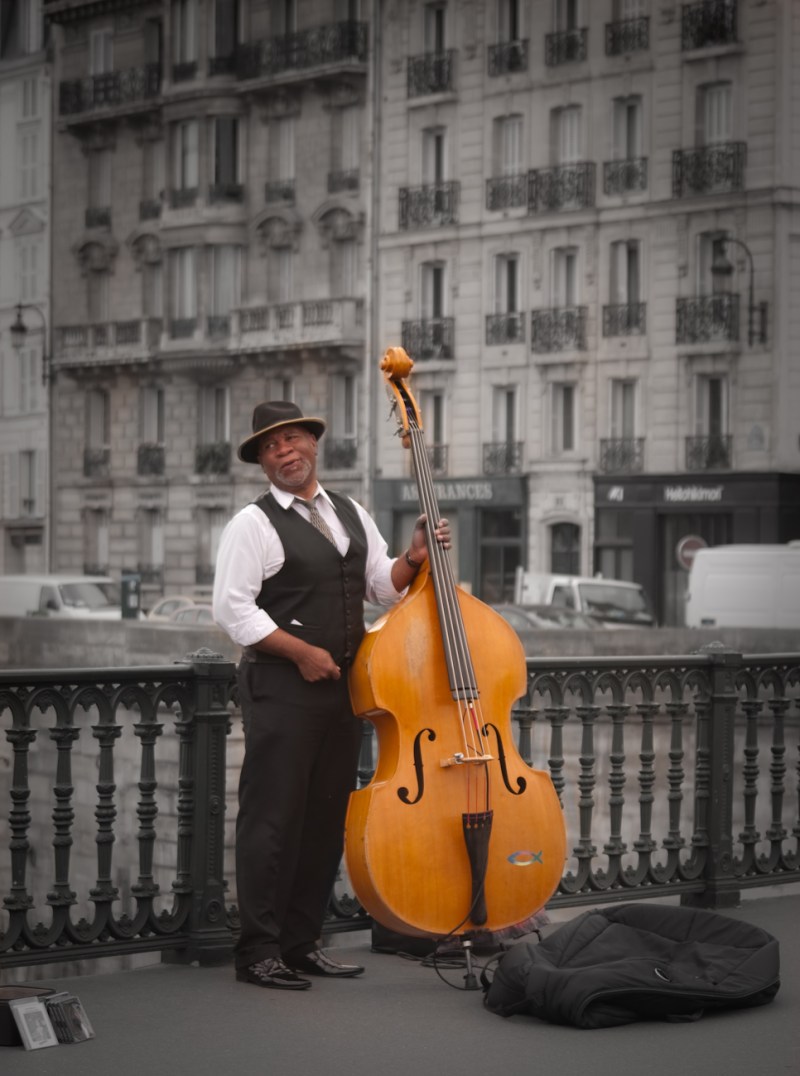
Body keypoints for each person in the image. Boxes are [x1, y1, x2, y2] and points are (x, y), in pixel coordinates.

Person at [213, 400, 451, 991]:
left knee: (324, 819)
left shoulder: (347, 510)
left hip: (343, 690)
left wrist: (413, 559)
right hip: (280, 690)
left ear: (314, 445)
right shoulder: (253, 523)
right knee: (271, 821)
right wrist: (299, 652)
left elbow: (378, 585)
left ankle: (301, 943)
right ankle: (258, 951)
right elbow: (232, 609)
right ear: (262, 461)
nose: (285, 451)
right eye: (271, 447)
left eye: (292, 439)